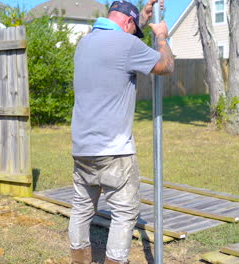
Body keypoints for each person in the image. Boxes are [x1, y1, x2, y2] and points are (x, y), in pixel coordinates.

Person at [69, 0, 174, 263]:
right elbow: (165, 66)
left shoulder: (85, 43)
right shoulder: (127, 45)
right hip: (115, 150)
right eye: (132, 27)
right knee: (125, 212)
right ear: (127, 23)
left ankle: (79, 259)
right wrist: (161, 37)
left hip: (82, 148)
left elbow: (121, 40)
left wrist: (143, 17)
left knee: (82, 207)